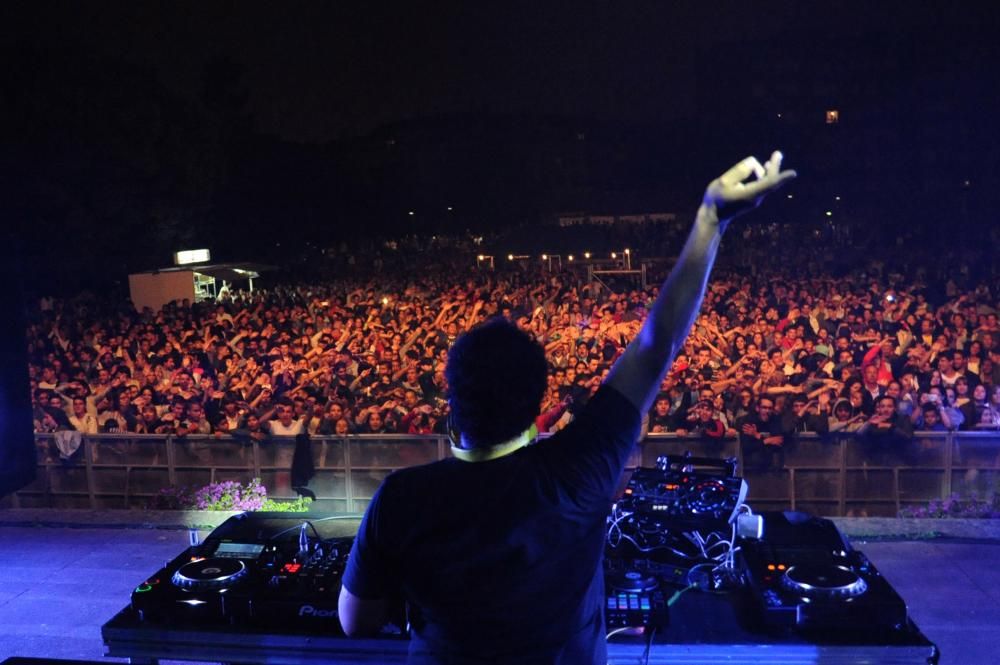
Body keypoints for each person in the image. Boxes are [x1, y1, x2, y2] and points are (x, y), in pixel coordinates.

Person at [338, 152, 796, 663]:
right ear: (537, 407)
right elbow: (656, 343)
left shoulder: (401, 499)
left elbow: (356, 621)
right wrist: (711, 220)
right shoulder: (581, 466)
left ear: (452, 406)